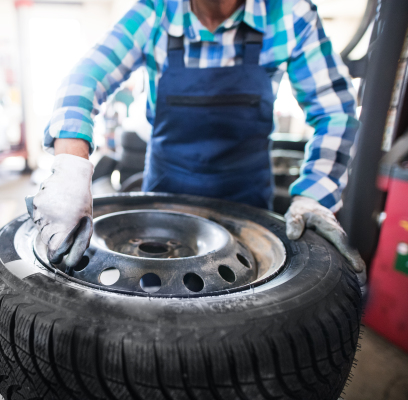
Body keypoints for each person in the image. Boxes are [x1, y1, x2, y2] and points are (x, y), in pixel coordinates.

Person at [26, 0, 365, 276]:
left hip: (247, 206)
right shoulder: (154, 12)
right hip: (162, 200)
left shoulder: (290, 14)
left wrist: (314, 195)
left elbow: (335, 110)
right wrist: (70, 170)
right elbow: (83, 81)